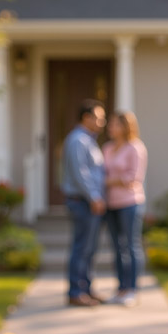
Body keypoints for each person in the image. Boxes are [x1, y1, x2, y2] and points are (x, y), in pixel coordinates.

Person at [61, 99, 108, 307]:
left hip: (89, 202)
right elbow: (81, 174)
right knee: (81, 247)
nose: (103, 122)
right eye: (99, 118)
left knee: (89, 248)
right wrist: (94, 197)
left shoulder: (89, 140)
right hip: (82, 202)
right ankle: (76, 291)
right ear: (86, 118)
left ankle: (86, 288)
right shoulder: (77, 141)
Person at [102, 111, 147, 307]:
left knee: (131, 246)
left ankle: (132, 289)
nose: (110, 127)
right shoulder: (107, 148)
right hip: (111, 204)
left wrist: (108, 181)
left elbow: (133, 179)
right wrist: (113, 181)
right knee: (117, 248)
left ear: (126, 126)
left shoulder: (135, 148)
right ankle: (121, 288)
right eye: (110, 124)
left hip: (130, 204)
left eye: (114, 124)